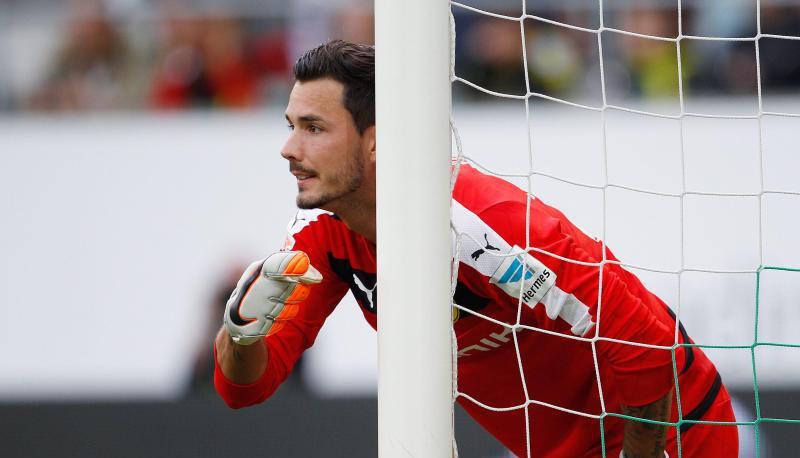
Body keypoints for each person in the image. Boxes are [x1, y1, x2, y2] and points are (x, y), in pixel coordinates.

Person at [214, 40, 738, 457]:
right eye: (291, 127)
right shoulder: (322, 238)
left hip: (677, 432)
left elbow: (646, 341)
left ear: (374, 140)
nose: (288, 148)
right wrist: (240, 335)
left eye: (313, 128)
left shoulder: (485, 224)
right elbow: (242, 390)